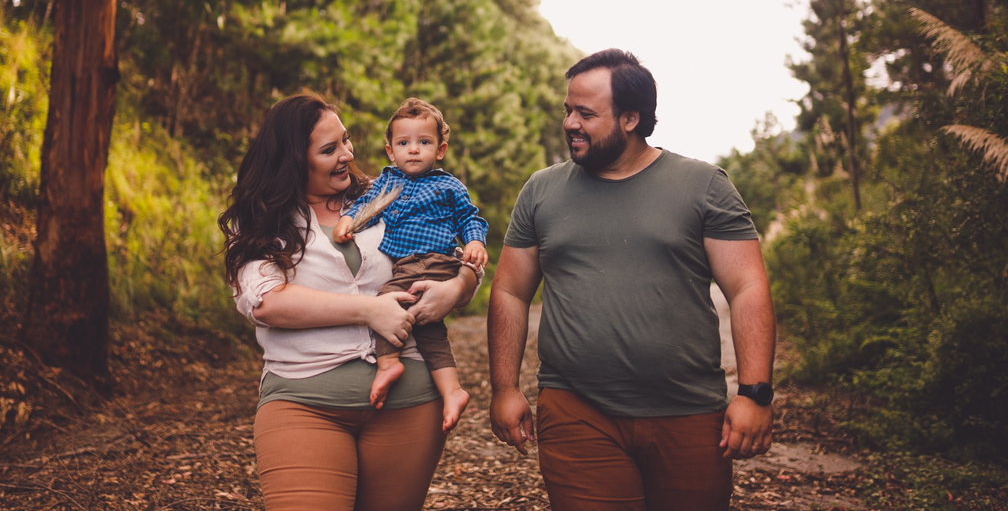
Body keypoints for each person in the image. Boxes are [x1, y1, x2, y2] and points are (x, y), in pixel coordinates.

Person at [487, 49, 776, 511]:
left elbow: (747, 287)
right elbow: (509, 290)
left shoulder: (703, 186)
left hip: (688, 410)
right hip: (576, 408)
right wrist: (504, 388)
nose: (570, 123)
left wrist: (755, 392)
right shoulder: (541, 191)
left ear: (630, 118)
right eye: (567, 110)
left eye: (586, 113)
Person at [220, 93, 479, 511]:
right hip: (305, 404)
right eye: (328, 150)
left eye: (346, 140)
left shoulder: (390, 192)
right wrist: (369, 309)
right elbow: (265, 301)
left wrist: (460, 286)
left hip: (409, 405)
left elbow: (452, 254)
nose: (346, 154)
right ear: (293, 161)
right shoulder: (260, 219)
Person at [333, 97, 489, 431]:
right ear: (391, 151)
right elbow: (364, 204)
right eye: (404, 143)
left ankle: (388, 364)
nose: (414, 150)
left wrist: (474, 241)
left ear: (441, 149)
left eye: (424, 142)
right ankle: (453, 390)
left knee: (385, 303)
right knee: (429, 329)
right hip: (406, 266)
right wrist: (347, 220)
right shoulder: (387, 182)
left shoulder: (447, 185)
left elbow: (469, 218)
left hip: (435, 262)